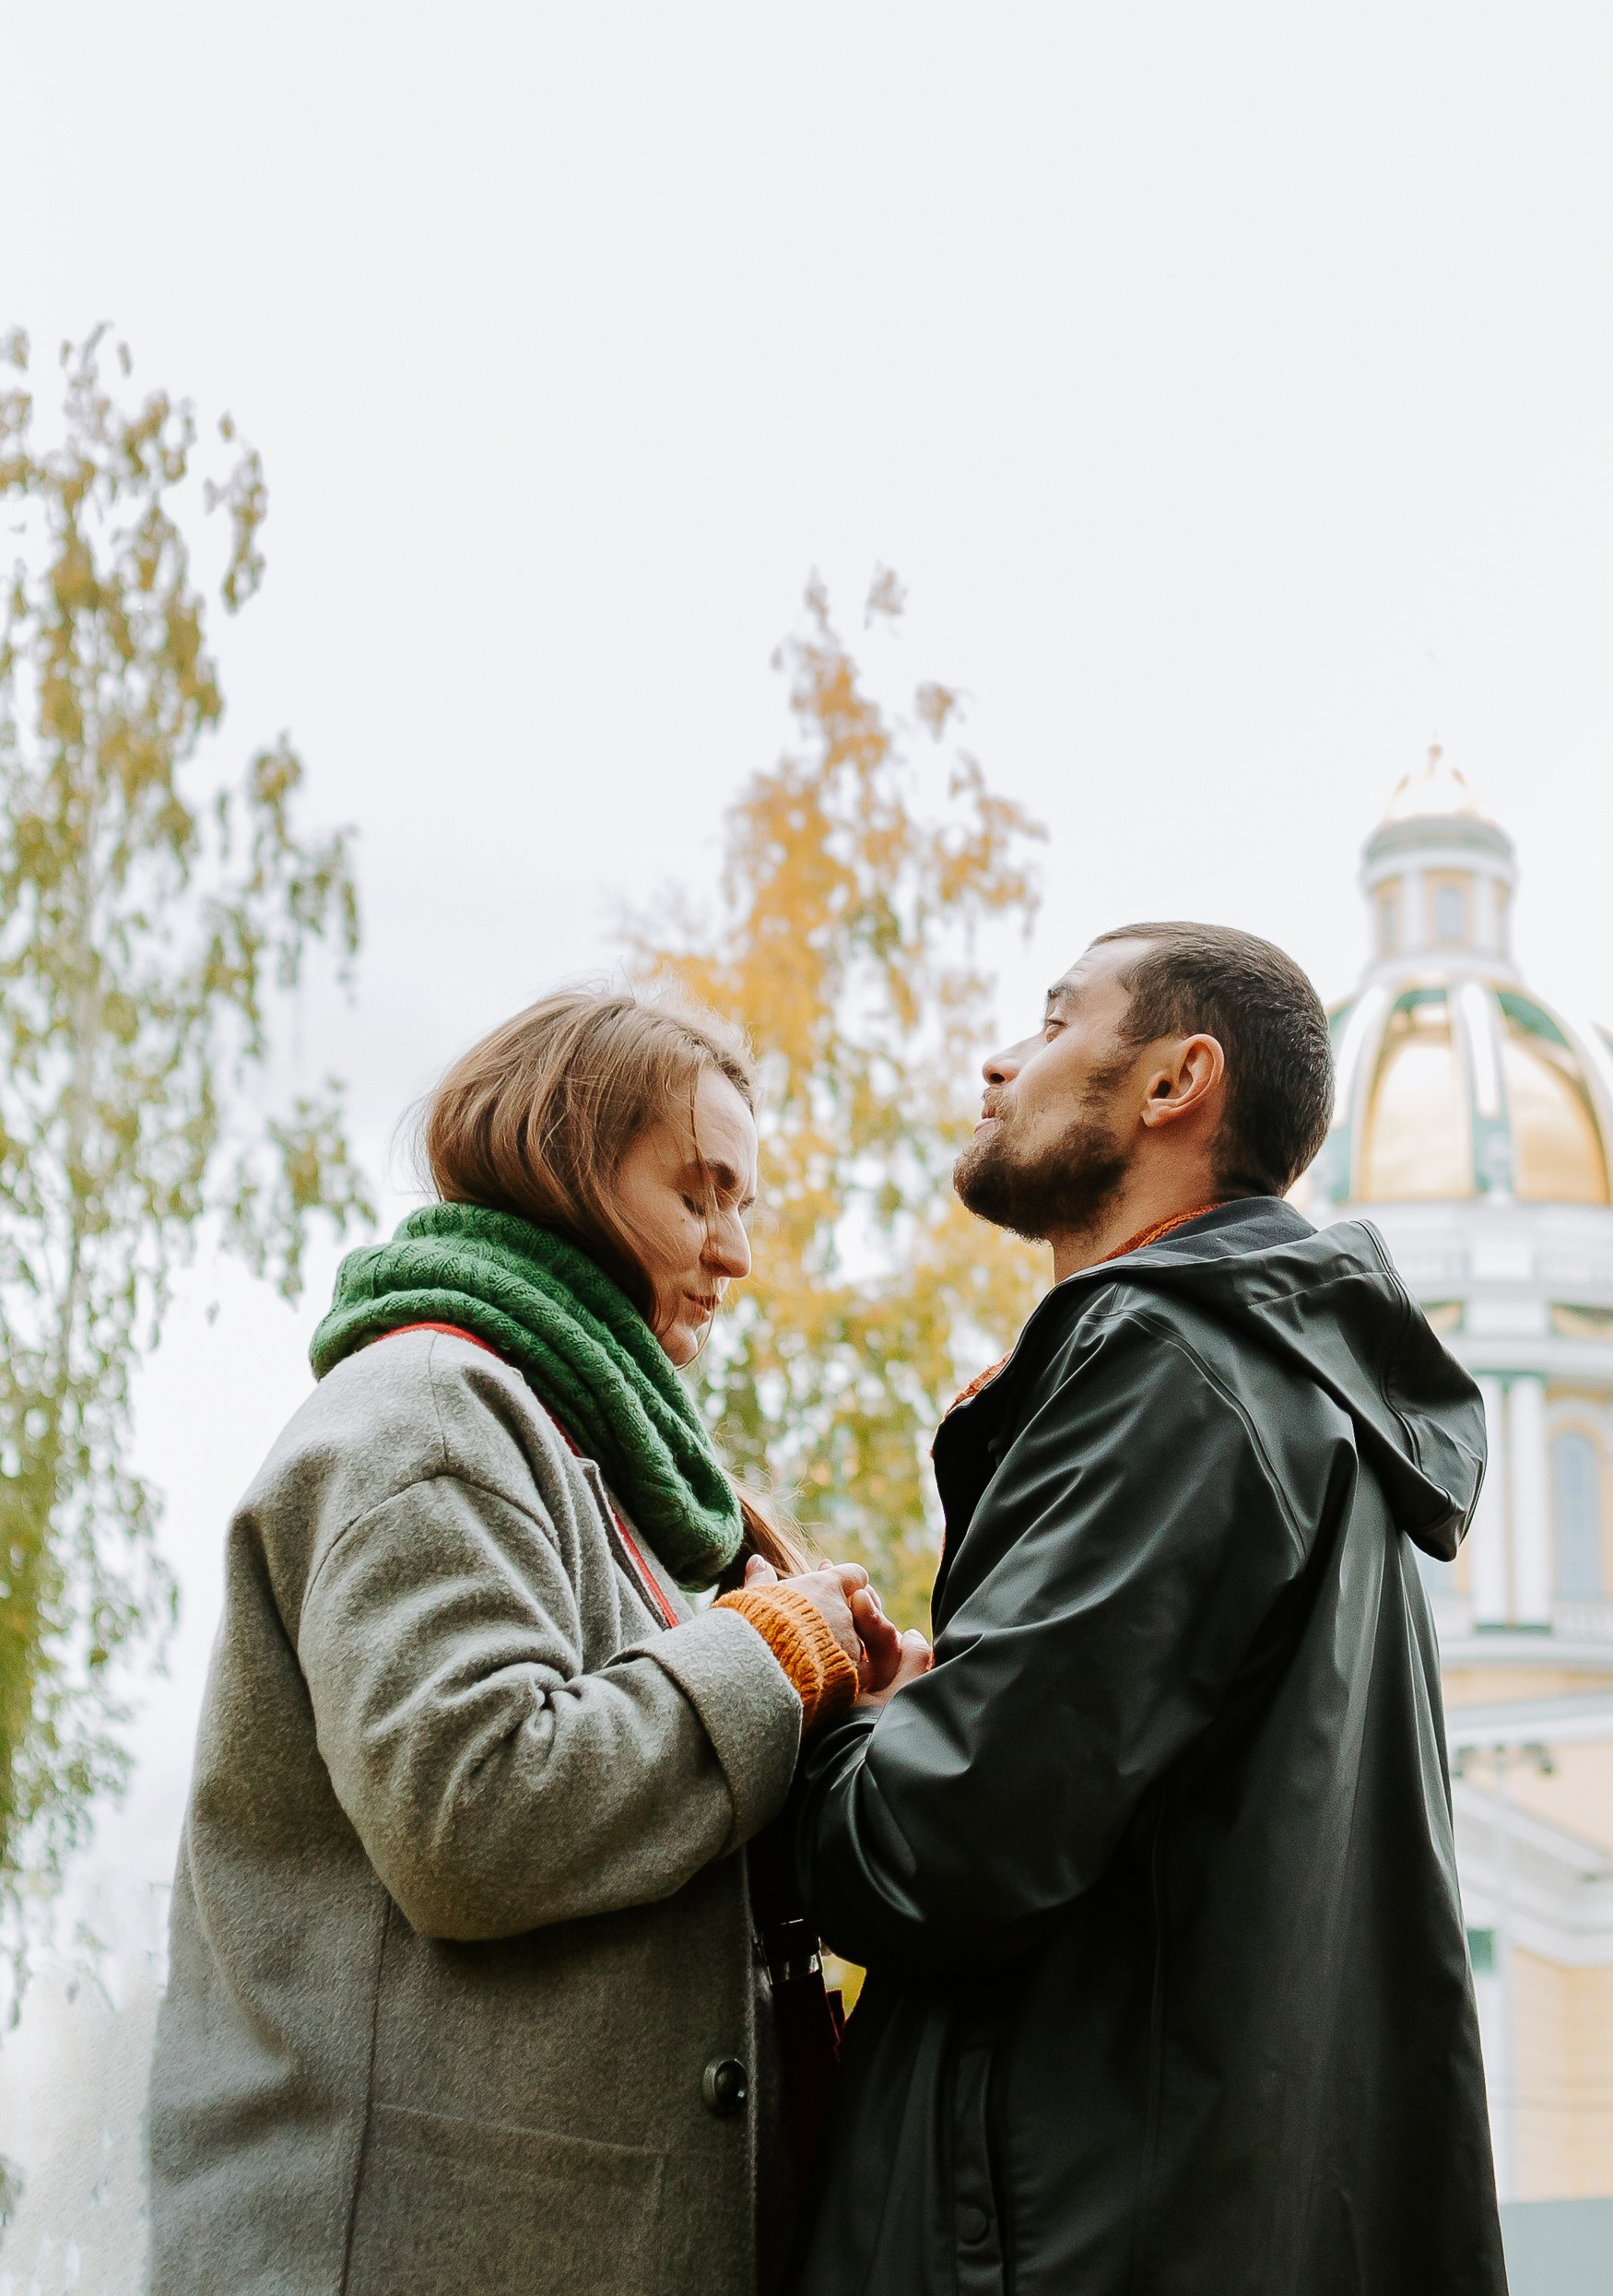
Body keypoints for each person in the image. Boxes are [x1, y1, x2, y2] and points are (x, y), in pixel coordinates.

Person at [792, 923, 1508, 2296]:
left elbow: (942, 1845)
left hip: (1061, 2243)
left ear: (1177, 1081)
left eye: (1055, 1022)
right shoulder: (1288, 1388)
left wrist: (840, 1719)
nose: (999, 1062)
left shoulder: (1172, 1366)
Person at [148, 987, 900, 2296]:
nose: (733, 1252)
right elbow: (472, 1812)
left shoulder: (580, 1451)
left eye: (743, 1206)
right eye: (699, 1196)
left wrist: (843, 1711)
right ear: (566, 1175)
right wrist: (772, 1654)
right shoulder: (431, 1417)